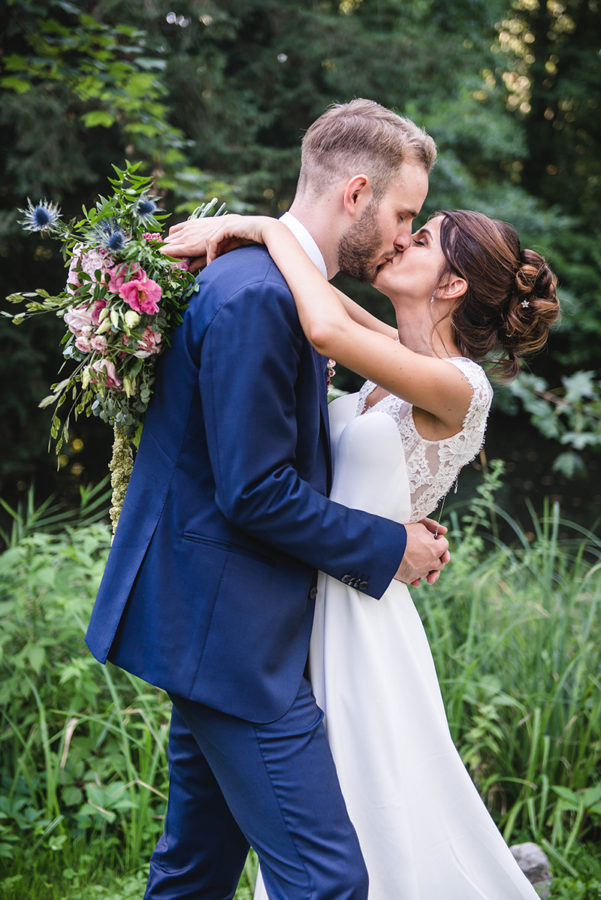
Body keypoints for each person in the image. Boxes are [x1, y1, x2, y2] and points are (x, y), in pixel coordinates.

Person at [85, 98, 451, 900]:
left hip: (218, 621)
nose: (401, 235)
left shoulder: (276, 285)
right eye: (402, 214)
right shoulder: (257, 297)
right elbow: (255, 491)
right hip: (228, 635)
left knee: (194, 870)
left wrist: (262, 227)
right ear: (355, 192)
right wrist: (391, 550)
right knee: (324, 881)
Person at [163, 207, 559, 898]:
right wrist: (274, 236)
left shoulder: (462, 385)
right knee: (313, 821)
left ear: (451, 285)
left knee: (366, 819)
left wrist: (261, 226)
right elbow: (332, 306)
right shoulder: (396, 360)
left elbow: (324, 325)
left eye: (424, 236)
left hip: (363, 627)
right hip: (305, 603)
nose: (403, 238)